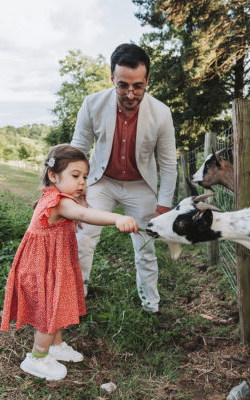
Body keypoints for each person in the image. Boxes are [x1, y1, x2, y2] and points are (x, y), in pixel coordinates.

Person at [0, 144, 138, 381]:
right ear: (53, 175)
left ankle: (56, 345)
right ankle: (37, 357)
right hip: (42, 267)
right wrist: (118, 218)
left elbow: (79, 211)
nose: (82, 182)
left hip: (54, 265)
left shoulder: (59, 198)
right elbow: (84, 215)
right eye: (75, 176)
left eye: (84, 176)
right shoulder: (60, 202)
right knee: (49, 310)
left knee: (58, 303)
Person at [70, 43, 177, 313]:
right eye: (123, 86)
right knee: (83, 240)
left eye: (138, 86)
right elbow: (77, 151)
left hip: (141, 185)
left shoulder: (162, 113)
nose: (130, 94)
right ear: (111, 79)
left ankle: (151, 306)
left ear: (147, 80)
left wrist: (163, 206)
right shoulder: (92, 104)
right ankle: (74, 303)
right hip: (101, 182)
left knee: (145, 248)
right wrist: (74, 192)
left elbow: (167, 163)